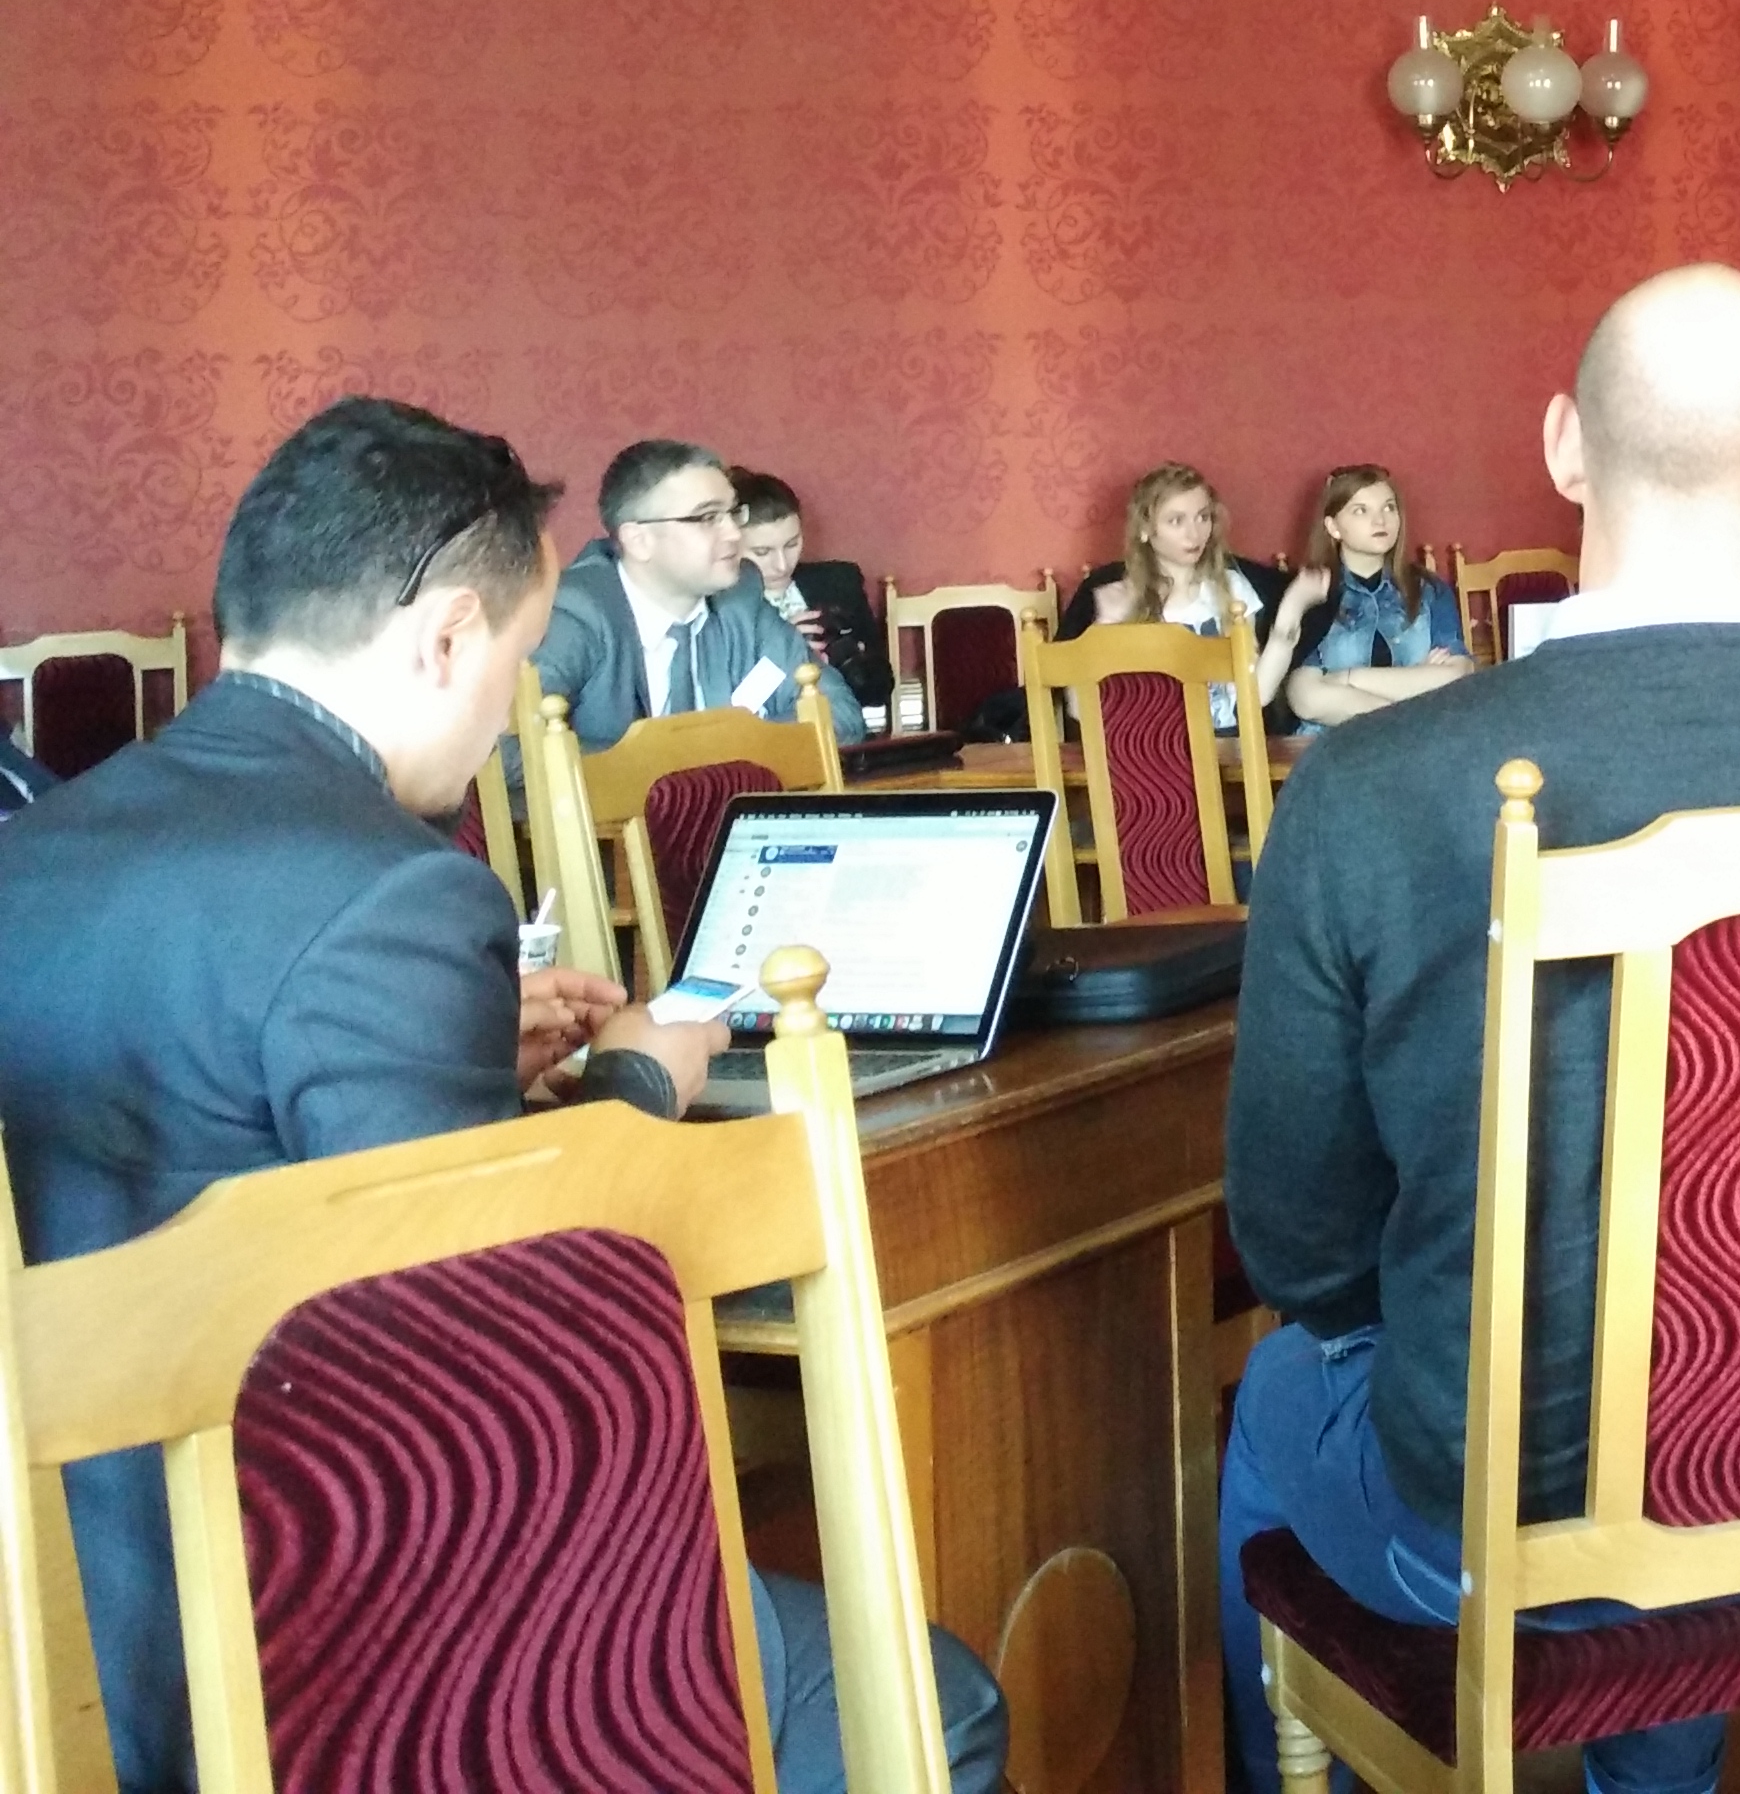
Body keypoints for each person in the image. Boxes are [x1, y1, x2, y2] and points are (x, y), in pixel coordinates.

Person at [0, 398, 1006, 1794]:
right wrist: (639, 1083)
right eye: (520, 660)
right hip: (314, 1653)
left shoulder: (39, 845)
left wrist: (467, 1059)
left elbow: (228, 1138)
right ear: (448, 636)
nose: (504, 715)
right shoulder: (395, 890)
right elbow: (500, 1344)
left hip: (63, 1634)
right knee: (939, 1698)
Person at [1220, 267, 1740, 1794]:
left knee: (1275, 1401)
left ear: (1566, 447)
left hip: (1493, 1524)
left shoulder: (1371, 786)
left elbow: (1297, 1244)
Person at [530, 437, 867, 748]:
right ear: (638, 540)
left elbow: (840, 717)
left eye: (733, 513)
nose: (734, 533)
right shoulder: (576, 611)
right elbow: (517, 754)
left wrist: (709, 758)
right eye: (707, 517)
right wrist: (675, 763)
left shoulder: (740, 597)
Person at [1065, 462, 1287, 736]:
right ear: (1145, 529)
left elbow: (1253, 693)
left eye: (1203, 517)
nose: (1194, 534)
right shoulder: (1122, 598)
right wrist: (1106, 625)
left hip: (1225, 745)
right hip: (1150, 747)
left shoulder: (1232, 589)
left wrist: (1292, 614)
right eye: (1176, 521)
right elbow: (1080, 709)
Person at [1269, 463, 1468, 731]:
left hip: (1422, 746)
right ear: (1333, 527)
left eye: (1389, 507)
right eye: (1361, 510)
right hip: (1340, 745)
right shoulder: (1310, 592)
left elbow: (1457, 674)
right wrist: (1416, 683)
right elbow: (1306, 698)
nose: (1380, 520)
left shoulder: (1429, 589)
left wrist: (1347, 679)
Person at [733, 469, 888, 721]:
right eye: (762, 552)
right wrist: (784, 648)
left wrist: (850, 663)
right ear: (730, 546)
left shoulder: (838, 584)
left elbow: (879, 693)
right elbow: (733, 711)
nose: (782, 564)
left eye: (792, 544)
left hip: (843, 731)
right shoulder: (721, 605)